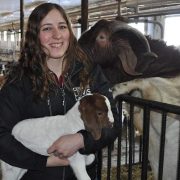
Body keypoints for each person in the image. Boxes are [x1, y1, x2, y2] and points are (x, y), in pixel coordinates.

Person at [0, 3, 119, 180]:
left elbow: (113, 123)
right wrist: (45, 161)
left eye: (62, 27)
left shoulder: (90, 72)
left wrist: (81, 140)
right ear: (35, 36)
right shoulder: (19, 82)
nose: (57, 35)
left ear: (69, 32)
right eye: (47, 28)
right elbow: (2, 136)